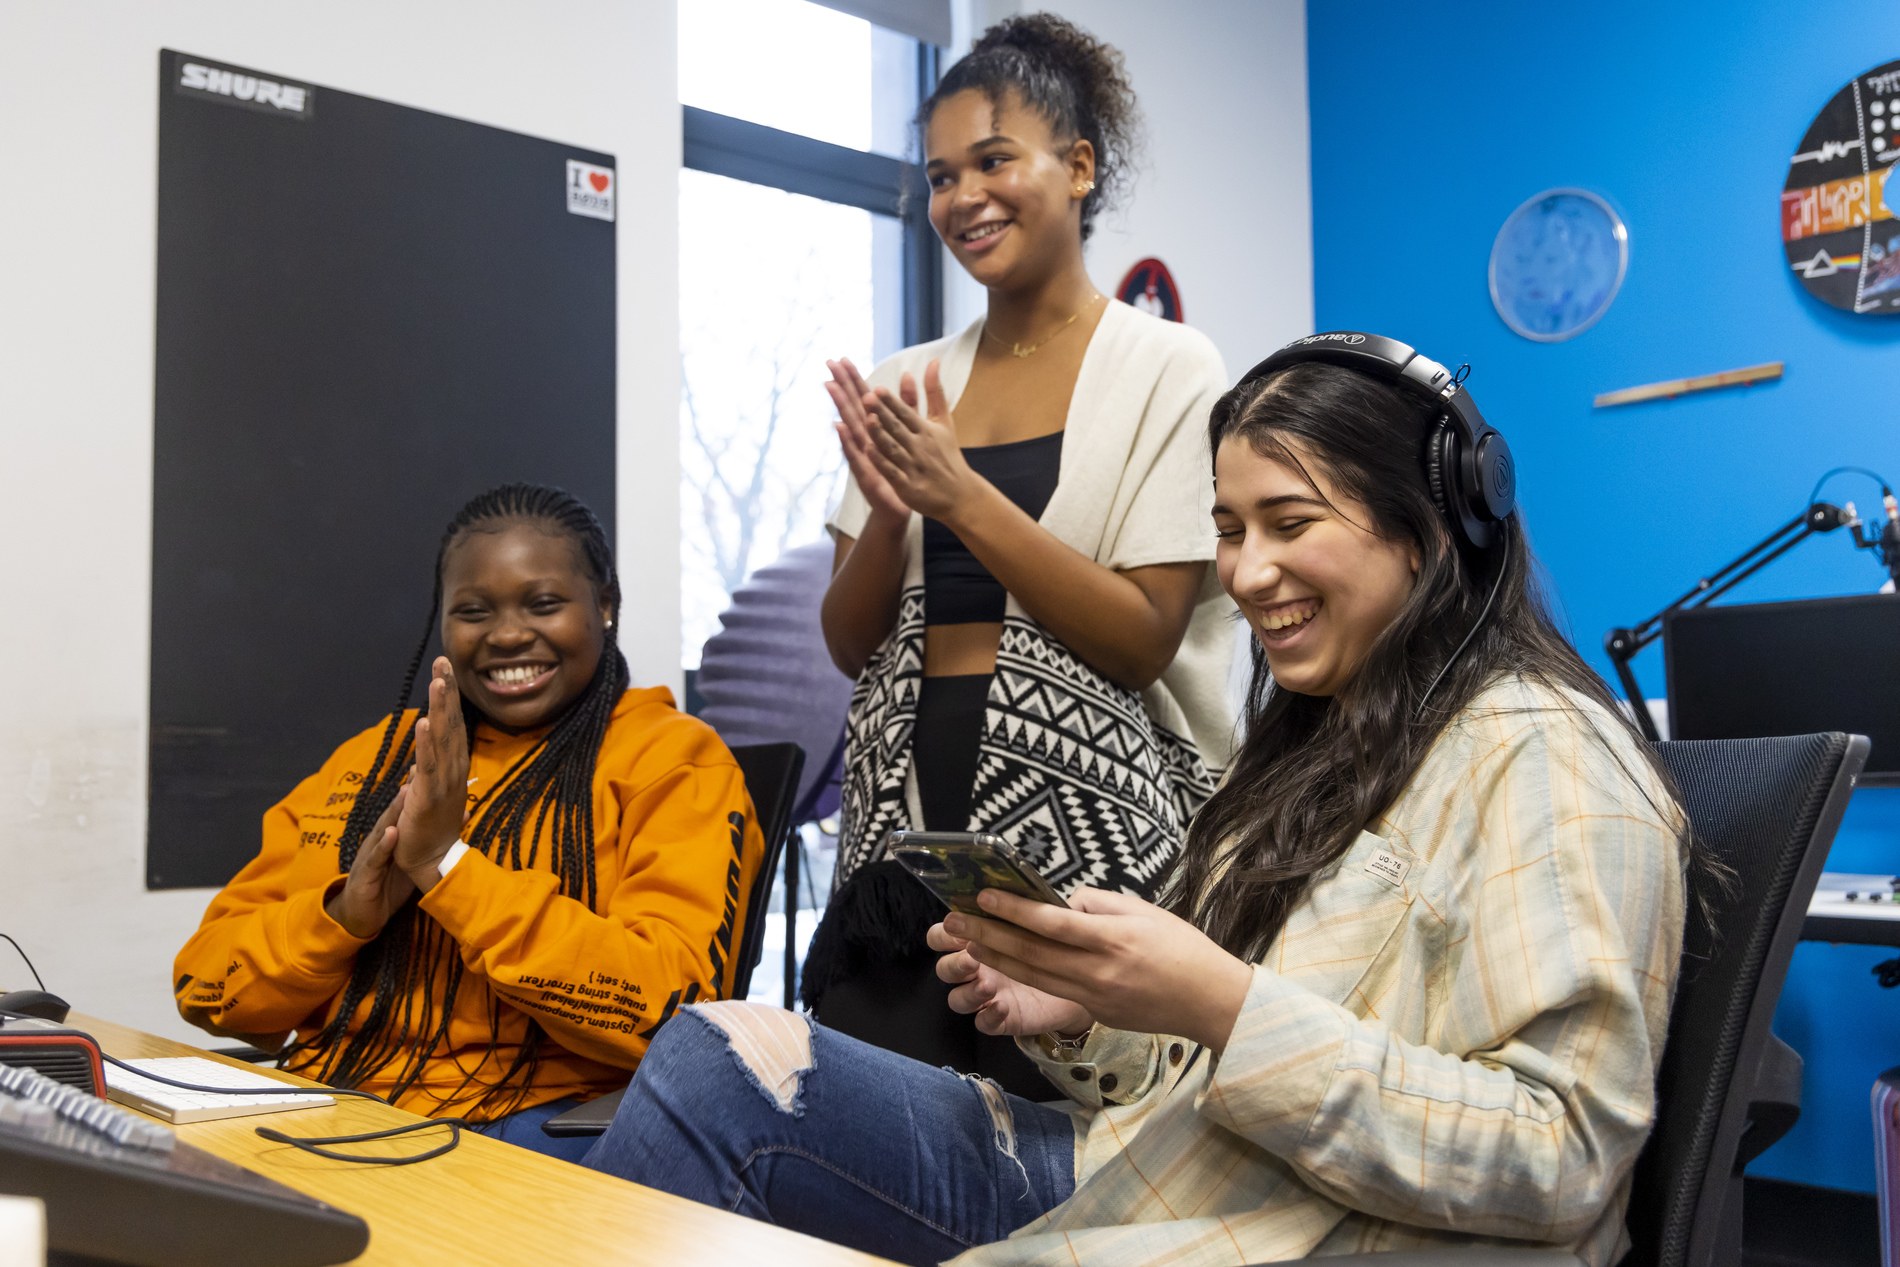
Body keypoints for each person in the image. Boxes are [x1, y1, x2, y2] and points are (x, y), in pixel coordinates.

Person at [583, 335, 1697, 1266]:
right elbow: (1191, 1074)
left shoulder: (1543, 755)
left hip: (1266, 1230)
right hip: (1146, 1169)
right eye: (1227, 527)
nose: (1247, 571)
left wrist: (1220, 1000)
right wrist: (1087, 1018)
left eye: (1289, 520)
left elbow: (1559, 1155)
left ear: (1433, 521)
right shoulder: (1314, 748)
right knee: (716, 1055)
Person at [807, 11, 1235, 1096]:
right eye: (942, 175)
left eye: (994, 160)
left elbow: (1140, 641)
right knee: (856, 1153)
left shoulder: (1169, 367)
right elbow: (851, 644)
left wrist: (961, 495)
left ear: (1078, 165)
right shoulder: (912, 377)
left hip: (1092, 852)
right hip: (904, 854)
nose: (963, 198)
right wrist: (895, 511)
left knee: (1055, 1176)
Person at [174, 484, 765, 1161]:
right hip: (328, 1099)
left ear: (605, 604)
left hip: (535, 1123)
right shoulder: (373, 760)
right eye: (473, 610)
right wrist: (345, 914)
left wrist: (446, 868)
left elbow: (667, 1011)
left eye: (543, 603)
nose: (508, 633)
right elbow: (204, 987)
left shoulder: (672, 758)